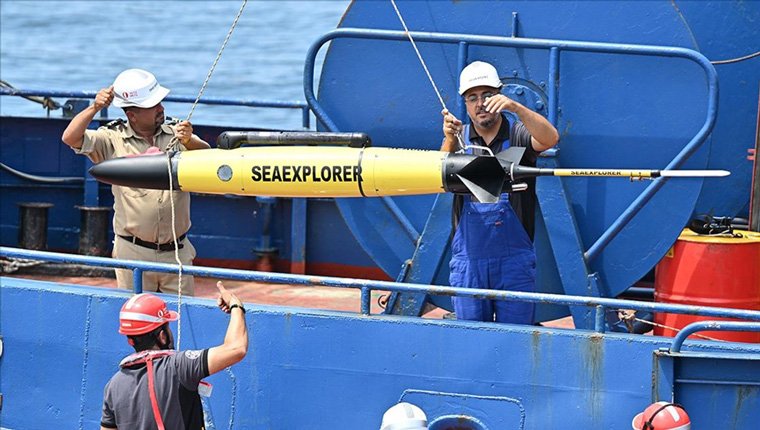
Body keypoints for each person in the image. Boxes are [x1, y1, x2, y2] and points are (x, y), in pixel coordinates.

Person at [62, 68, 210, 294]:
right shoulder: (112, 138)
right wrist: (95, 108)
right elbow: (70, 137)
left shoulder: (176, 133)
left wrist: (189, 141)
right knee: (138, 319)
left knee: (180, 322)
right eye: (153, 106)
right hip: (133, 252)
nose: (161, 109)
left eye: (161, 103)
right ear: (132, 114)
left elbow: (206, 157)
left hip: (177, 252)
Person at [440, 61, 559, 324]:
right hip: (469, 263)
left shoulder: (518, 135)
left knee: (514, 340)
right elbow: (437, 175)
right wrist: (448, 138)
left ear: (499, 95)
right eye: (472, 98)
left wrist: (515, 107)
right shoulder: (460, 141)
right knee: (471, 340)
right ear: (466, 104)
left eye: (487, 95)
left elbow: (550, 138)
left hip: (514, 265)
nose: (480, 103)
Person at [101, 281, 248, 429]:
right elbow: (236, 348)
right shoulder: (179, 365)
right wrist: (236, 306)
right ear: (162, 336)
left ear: (131, 340)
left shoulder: (113, 385)